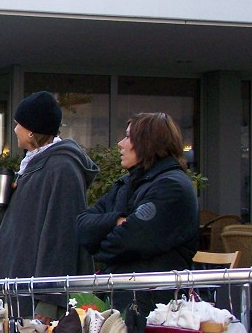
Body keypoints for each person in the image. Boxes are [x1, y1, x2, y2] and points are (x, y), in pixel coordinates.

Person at [0, 91, 98, 319]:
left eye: (18, 124)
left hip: (37, 300)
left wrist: (48, 302)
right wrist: (2, 201)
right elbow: (16, 222)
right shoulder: (38, 163)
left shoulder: (62, 169)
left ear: (30, 130)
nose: (15, 129)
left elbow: (61, 237)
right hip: (22, 287)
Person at [76, 112, 199, 312]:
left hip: (157, 312)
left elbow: (130, 241)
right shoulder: (127, 183)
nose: (120, 143)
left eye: (127, 137)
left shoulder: (172, 187)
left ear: (147, 143)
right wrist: (117, 221)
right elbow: (82, 228)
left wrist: (101, 244)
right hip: (123, 302)